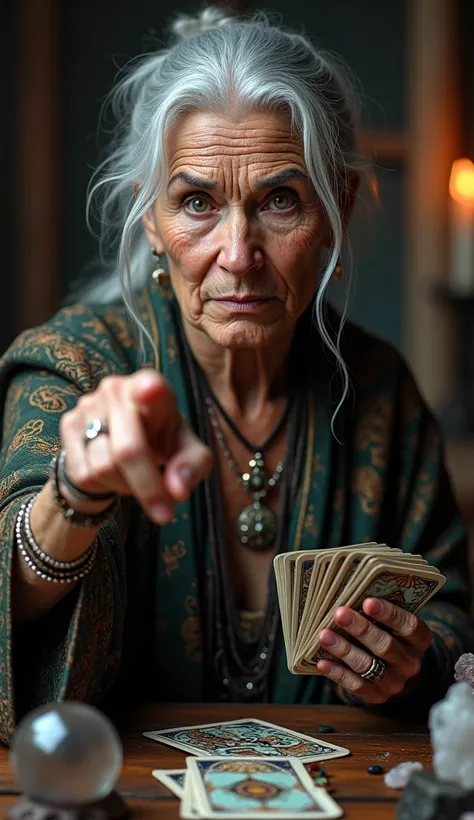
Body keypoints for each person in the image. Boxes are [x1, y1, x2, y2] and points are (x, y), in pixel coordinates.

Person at [0, 6, 471, 743]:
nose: (239, 253)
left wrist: (415, 659)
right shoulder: (76, 366)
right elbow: (9, 589)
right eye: (196, 203)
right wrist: (74, 493)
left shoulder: (382, 392)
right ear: (150, 219)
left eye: (280, 200)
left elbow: (450, 610)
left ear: (338, 208)